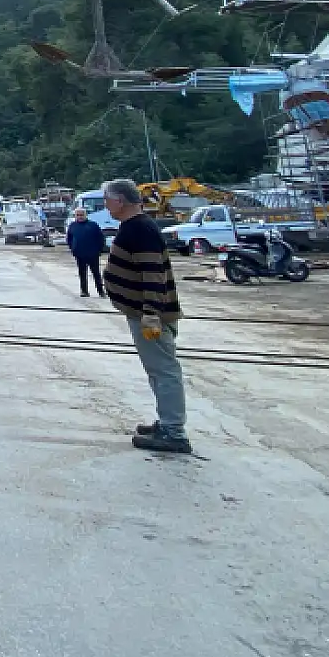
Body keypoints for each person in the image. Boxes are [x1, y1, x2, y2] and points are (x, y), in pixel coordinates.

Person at [101, 178, 191, 454]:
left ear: (120, 201)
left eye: (107, 200)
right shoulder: (134, 226)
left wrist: (151, 314)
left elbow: (154, 276)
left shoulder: (140, 229)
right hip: (142, 312)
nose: (105, 205)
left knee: (164, 371)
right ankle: (166, 422)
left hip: (149, 315)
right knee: (157, 370)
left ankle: (174, 432)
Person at [65, 207, 107, 297]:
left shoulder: (93, 225)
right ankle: (84, 291)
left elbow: (101, 238)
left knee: (96, 273)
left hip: (93, 254)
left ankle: (101, 291)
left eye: (81, 215)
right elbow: (69, 239)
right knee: (82, 273)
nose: (80, 217)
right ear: (75, 216)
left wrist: (99, 250)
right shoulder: (72, 226)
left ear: (85, 215)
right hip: (79, 254)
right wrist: (73, 249)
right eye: (78, 215)